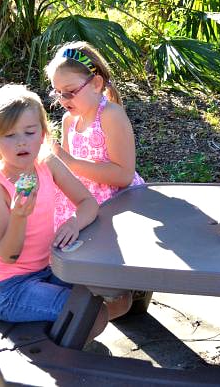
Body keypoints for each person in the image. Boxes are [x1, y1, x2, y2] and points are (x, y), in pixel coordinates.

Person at [0, 84, 107, 339]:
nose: (22, 142)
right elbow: (9, 255)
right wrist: (18, 216)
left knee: (101, 294)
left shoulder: (47, 164)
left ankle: (60, 343)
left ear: (43, 134)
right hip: (6, 289)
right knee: (89, 314)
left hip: (46, 271)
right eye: (10, 135)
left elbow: (88, 203)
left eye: (29, 131)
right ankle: (60, 364)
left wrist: (73, 222)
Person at [45, 41, 144, 315]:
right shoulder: (69, 121)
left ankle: (114, 299)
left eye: (70, 92)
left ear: (96, 83)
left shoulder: (110, 115)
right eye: (57, 93)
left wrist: (70, 161)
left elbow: (123, 174)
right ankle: (80, 292)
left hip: (117, 199)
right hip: (85, 197)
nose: (63, 100)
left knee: (103, 256)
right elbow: (69, 170)